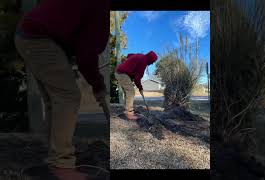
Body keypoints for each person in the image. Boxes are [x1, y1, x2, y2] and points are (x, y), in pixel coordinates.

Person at [14, 0, 109, 179]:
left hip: (27, 33)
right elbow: (86, 55)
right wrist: (98, 85)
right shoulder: (101, 6)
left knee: (54, 99)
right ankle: (61, 165)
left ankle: (54, 156)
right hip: (38, 37)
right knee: (68, 96)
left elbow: (81, 48)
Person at [115, 51, 158, 121]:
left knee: (127, 92)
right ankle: (129, 114)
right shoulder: (143, 62)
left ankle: (127, 110)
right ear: (149, 59)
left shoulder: (140, 56)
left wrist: (130, 65)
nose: (152, 63)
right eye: (152, 61)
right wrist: (140, 88)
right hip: (122, 73)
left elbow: (129, 55)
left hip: (119, 72)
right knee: (131, 92)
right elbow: (137, 79)